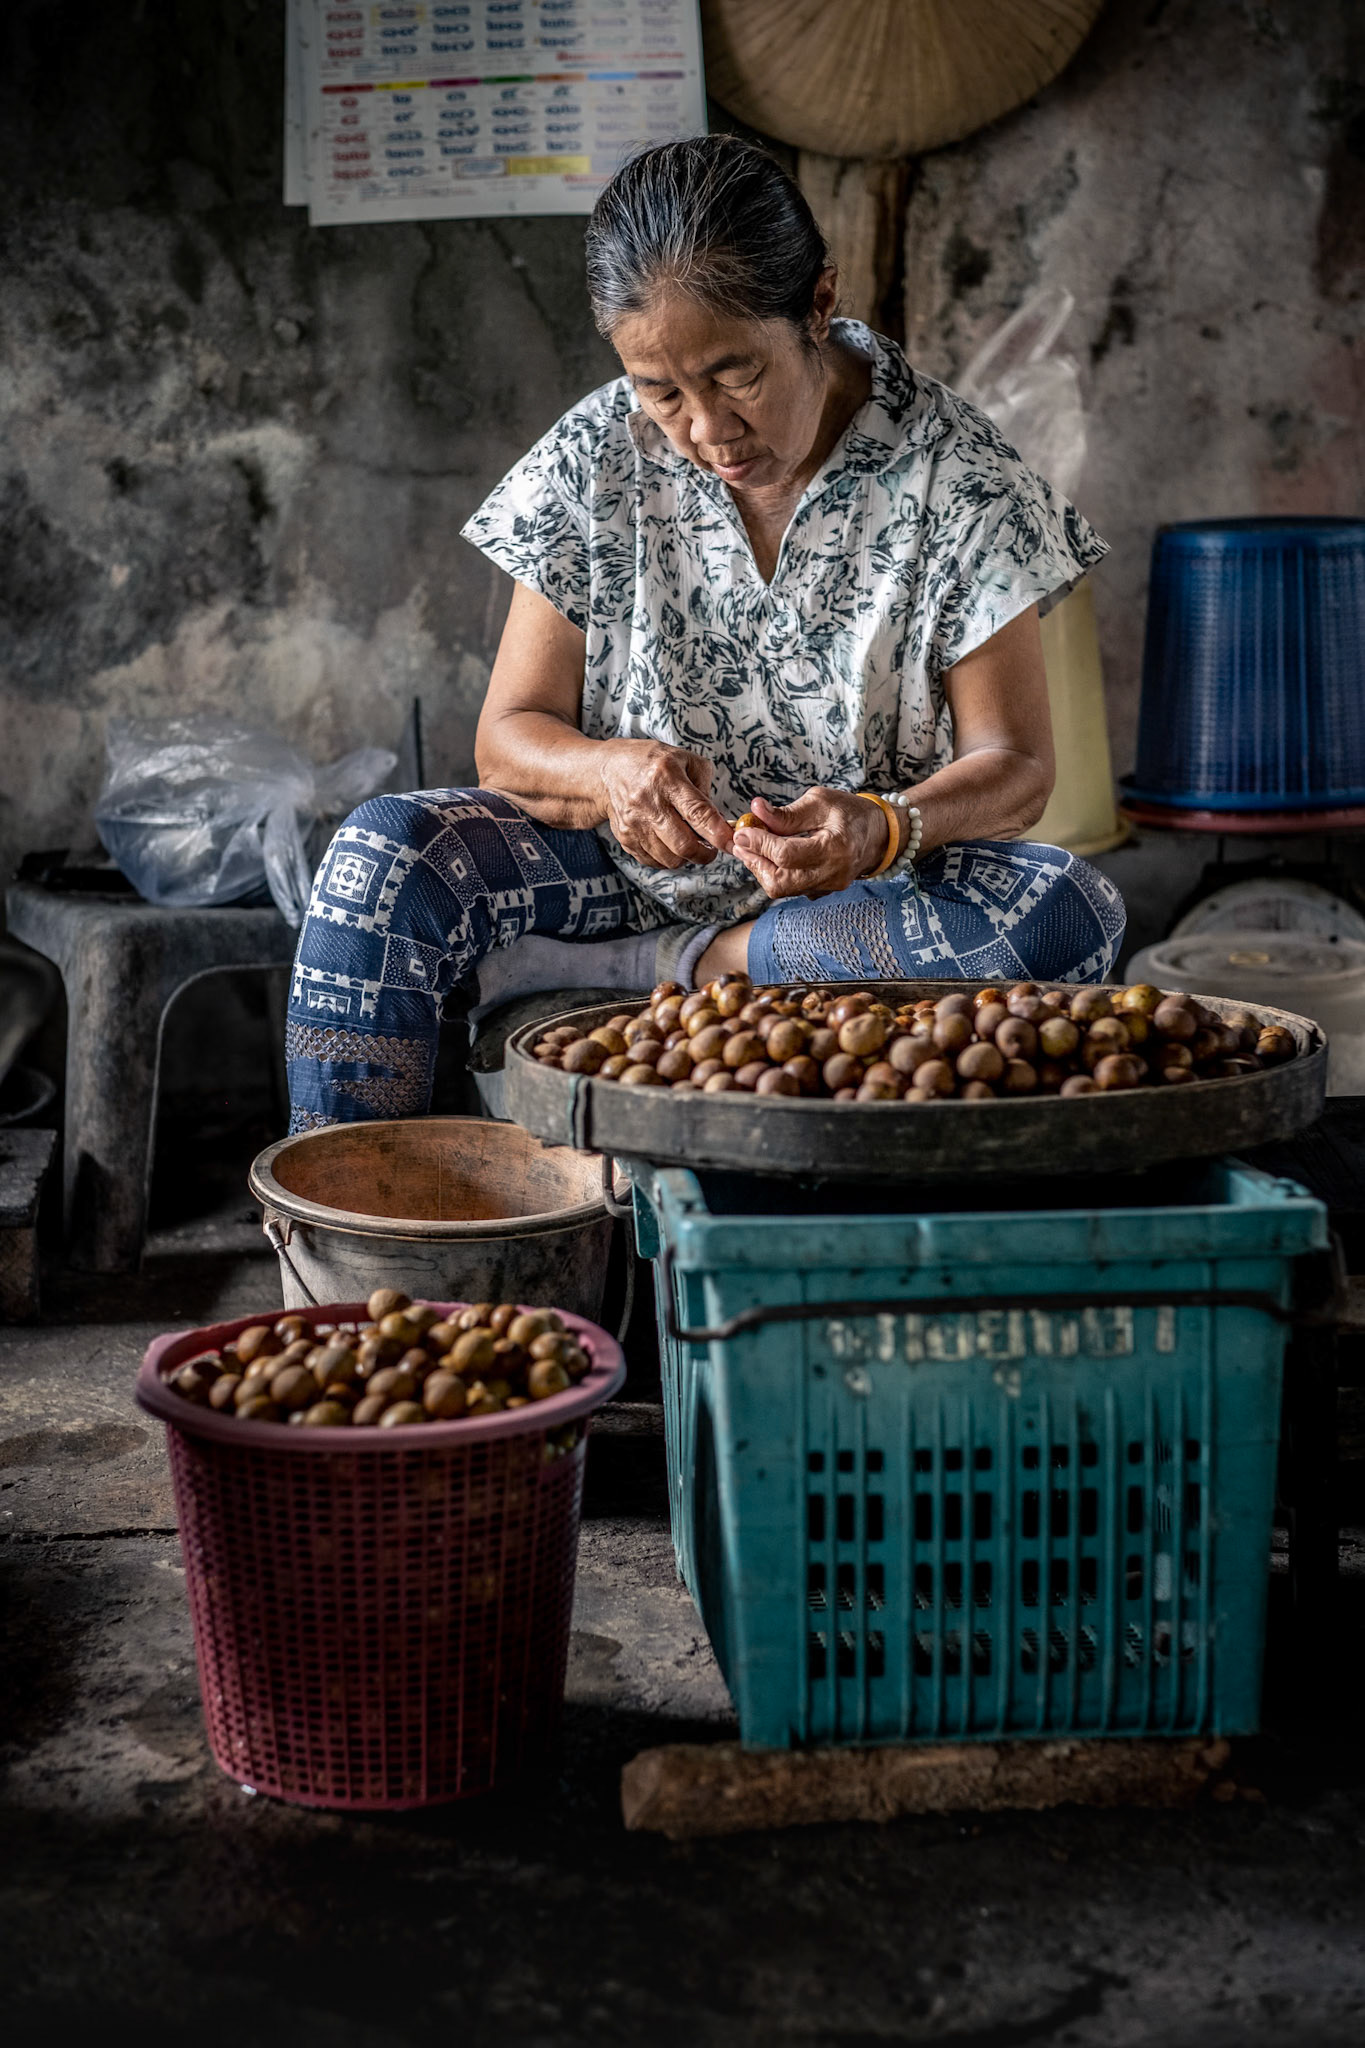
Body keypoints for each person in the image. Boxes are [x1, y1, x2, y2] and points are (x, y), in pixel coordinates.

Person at [286, 135, 1124, 1131]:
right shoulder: (599, 451)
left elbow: (1018, 764)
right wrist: (608, 774)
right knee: (381, 860)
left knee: (1066, 913)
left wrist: (887, 825)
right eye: (662, 390)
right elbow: (509, 736)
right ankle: (356, 1232)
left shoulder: (960, 476)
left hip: (849, 907)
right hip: (613, 876)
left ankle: (685, 967)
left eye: (736, 374)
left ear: (817, 305)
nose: (705, 428)